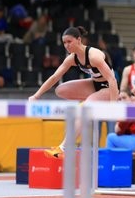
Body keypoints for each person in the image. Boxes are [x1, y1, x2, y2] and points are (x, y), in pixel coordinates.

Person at [28, 26, 119, 157]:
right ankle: (90, 102)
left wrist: (113, 106)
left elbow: (112, 79)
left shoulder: (94, 56)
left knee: (85, 109)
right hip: (95, 84)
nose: (66, 45)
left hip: (109, 88)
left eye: (69, 42)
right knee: (60, 90)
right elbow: (54, 77)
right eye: (64, 42)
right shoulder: (72, 58)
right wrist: (36, 95)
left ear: (79, 40)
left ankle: (64, 148)